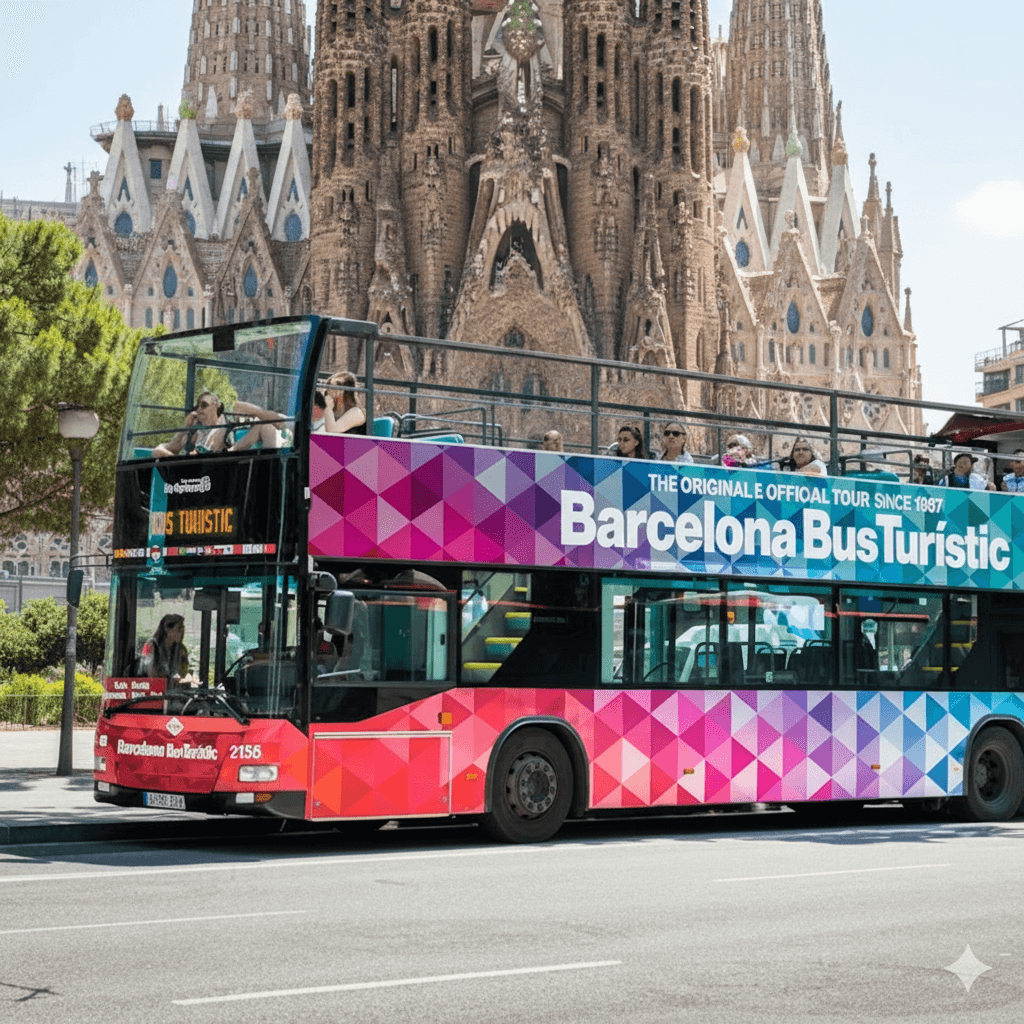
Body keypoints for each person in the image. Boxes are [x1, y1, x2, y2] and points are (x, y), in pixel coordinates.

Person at [152, 392, 229, 458]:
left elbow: (214, 447)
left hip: (208, 469)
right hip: (189, 468)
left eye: (204, 405)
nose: (199, 409)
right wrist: (186, 427)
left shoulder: (223, 427)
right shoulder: (195, 429)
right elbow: (173, 447)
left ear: (215, 406)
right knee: (158, 451)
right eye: (197, 406)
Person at [138, 614, 191, 684]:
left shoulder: (180, 648)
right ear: (167, 629)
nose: (182, 632)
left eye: (183, 629)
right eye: (179, 629)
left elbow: (182, 674)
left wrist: (181, 659)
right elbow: (150, 674)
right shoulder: (151, 645)